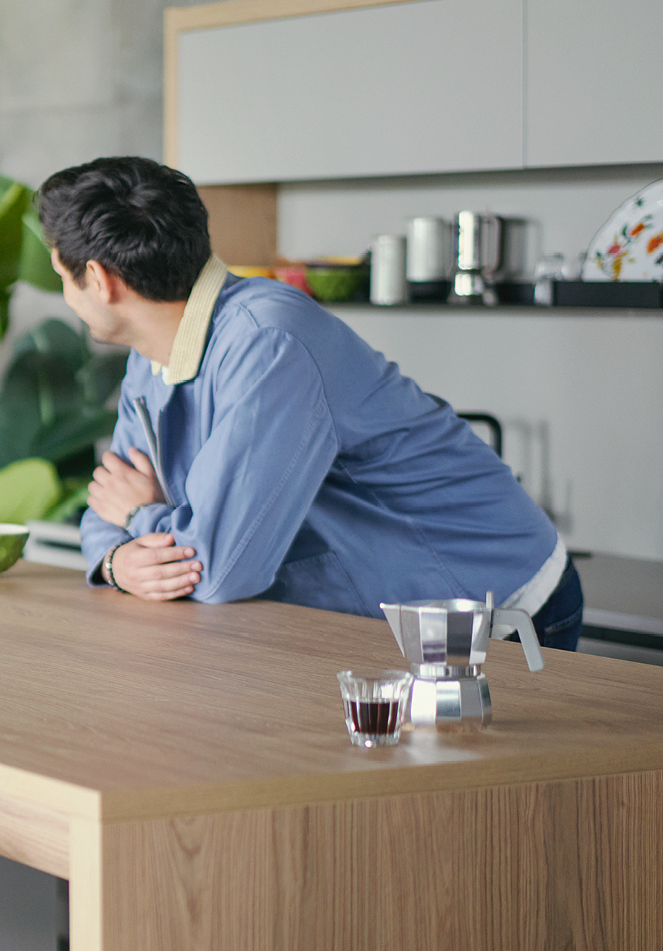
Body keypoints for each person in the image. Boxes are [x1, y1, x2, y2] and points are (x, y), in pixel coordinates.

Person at [43, 157, 582, 649]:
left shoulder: (271, 342)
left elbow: (216, 568)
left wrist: (139, 515)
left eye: (61, 277)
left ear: (97, 279)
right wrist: (117, 563)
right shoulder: (149, 350)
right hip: (370, 613)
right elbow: (103, 511)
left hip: (491, 604)